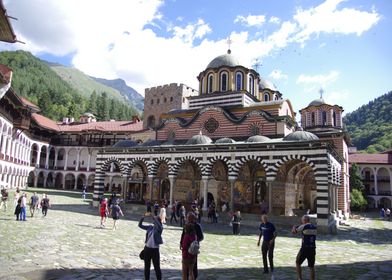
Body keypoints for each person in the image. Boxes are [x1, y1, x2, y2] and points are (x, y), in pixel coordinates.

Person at [139, 213, 163, 280]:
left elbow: (159, 226)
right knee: (147, 266)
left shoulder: (159, 229)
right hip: (147, 249)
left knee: (157, 267)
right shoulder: (150, 227)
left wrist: (155, 218)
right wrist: (142, 218)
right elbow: (140, 225)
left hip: (155, 250)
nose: (153, 221)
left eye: (155, 220)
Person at [292, 215, 317, 280]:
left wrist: (294, 227)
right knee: (311, 266)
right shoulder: (314, 227)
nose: (301, 221)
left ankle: (299, 278)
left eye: (302, 220)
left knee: (297, 262)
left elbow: (294, 232)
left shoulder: (304, 226)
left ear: (305, 220)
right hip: (312, 248)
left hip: (305, 248)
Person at [180, 212, 204, 279]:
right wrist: (181, 243)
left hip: (193, 250)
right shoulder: (186, 225)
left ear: (193, 218)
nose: (188, 219)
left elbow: (201, 237)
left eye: (189, 218)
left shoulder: (197, 226)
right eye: (188, 218)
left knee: (192, 267)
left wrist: (194, 242)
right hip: (186, 250)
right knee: (189, 269)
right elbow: (183, 235)